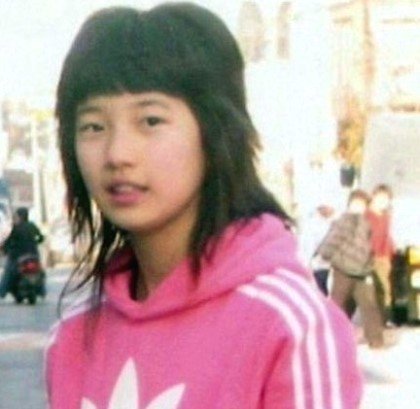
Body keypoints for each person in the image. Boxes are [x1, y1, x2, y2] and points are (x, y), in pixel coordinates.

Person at [46, 4, 362, 408]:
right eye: (93, 126)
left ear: (216, 131)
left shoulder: (290, 324)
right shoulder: (73, 333)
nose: (117, 153)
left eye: (151, 121)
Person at [317, 190, 385, 348]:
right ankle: (336, 338)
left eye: (362, 205)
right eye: (357, 204)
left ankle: (376, 340)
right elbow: (333, 240)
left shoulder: (365, 221)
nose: (359, 207)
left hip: (362, 270)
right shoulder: (344, 220)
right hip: (344, 268)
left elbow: (369, 246)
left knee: (368, 305)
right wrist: (326, 255)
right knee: (338, 304)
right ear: (350, 204)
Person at [0, 207, 45, 298]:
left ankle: (2, 292)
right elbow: (41, 238)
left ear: (20, 216)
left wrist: (5, 249)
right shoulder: (32, 226)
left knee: (8, 272)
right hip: (34, 254)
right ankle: (42, 291)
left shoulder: (17, 227)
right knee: (40, 271)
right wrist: (35, 242)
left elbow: (9, 241)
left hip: (19, 255)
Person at [366, 184, 395, 323]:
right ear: (373, 197)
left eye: (386, 199)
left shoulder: (386, 217)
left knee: (384, 289)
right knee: (367, 291)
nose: (383, 202)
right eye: (381, 198)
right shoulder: (365, 215)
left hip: (382, 258)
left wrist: (387, 256)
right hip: (366, 257)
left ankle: (384, 318)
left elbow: (386, 237)